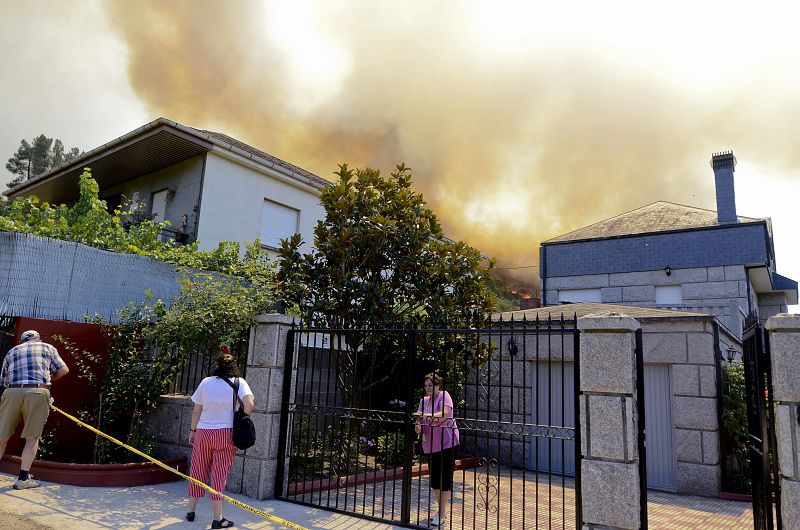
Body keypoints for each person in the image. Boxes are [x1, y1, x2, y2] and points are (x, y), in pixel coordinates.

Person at [186, 350, 254, 529]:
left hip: (203, 432)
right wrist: (241, 415)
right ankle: (218, 518)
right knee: (219, 475)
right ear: (234, 367)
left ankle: (191, 510)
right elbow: (249, 405)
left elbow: (196, 410)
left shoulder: (205, 383)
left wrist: (193, 431)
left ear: (217, 366)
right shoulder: (240, 383)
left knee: (198, 470)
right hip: (225, 434)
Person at [0, 330, 69, 490]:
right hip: (38, 391)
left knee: (1, 436)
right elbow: (64, 370)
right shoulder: (48, 347)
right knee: (32, 438)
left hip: (12, 391)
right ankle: (23, 479)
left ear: (22, 341)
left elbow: (3, 379)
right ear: (38, 339)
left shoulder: (13, 351)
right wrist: (48, 380)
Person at [415, 372, 460, 528]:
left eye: (431, 385)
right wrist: (418, 425)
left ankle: (441, 513)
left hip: (446, 442)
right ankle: (440, 511)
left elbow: (445, 414)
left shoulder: (445, 395)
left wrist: (426, 415)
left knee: (445, 478)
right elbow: (418, 418)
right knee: (435, 479)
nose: (428, 388)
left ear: (438, 385)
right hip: (430, 444)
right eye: (426, 385)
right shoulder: (423, 400)